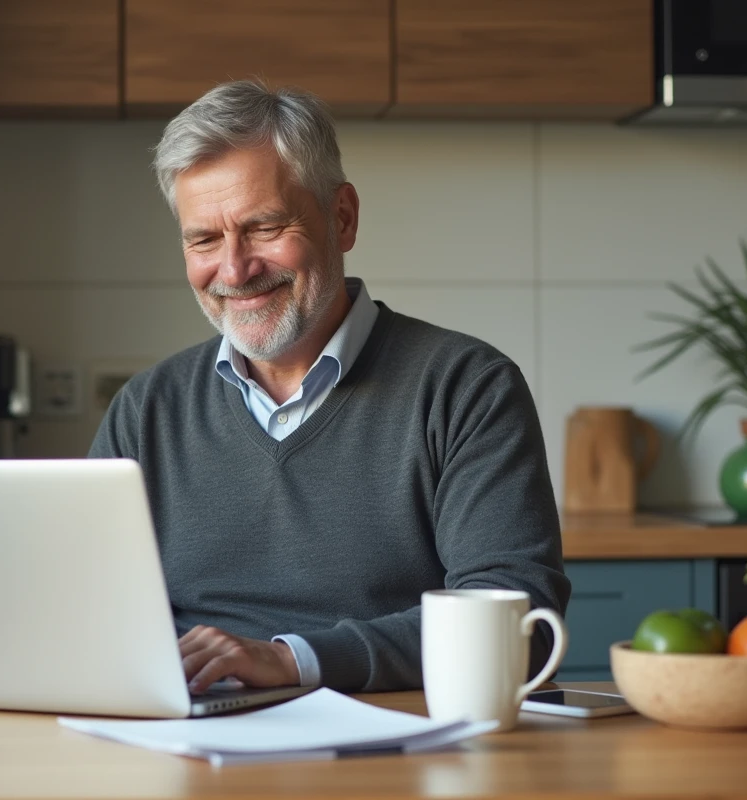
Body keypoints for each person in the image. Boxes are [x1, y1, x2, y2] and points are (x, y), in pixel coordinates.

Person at [89, 80, 570, 694]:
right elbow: (85, 616)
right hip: (194, 751)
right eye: (204, 240)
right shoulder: (146, 410)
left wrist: (293, 661)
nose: (234, 269)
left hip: (400, 748)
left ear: (341, 218)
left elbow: (516, 619)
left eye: (263, 228)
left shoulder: (466, 387)